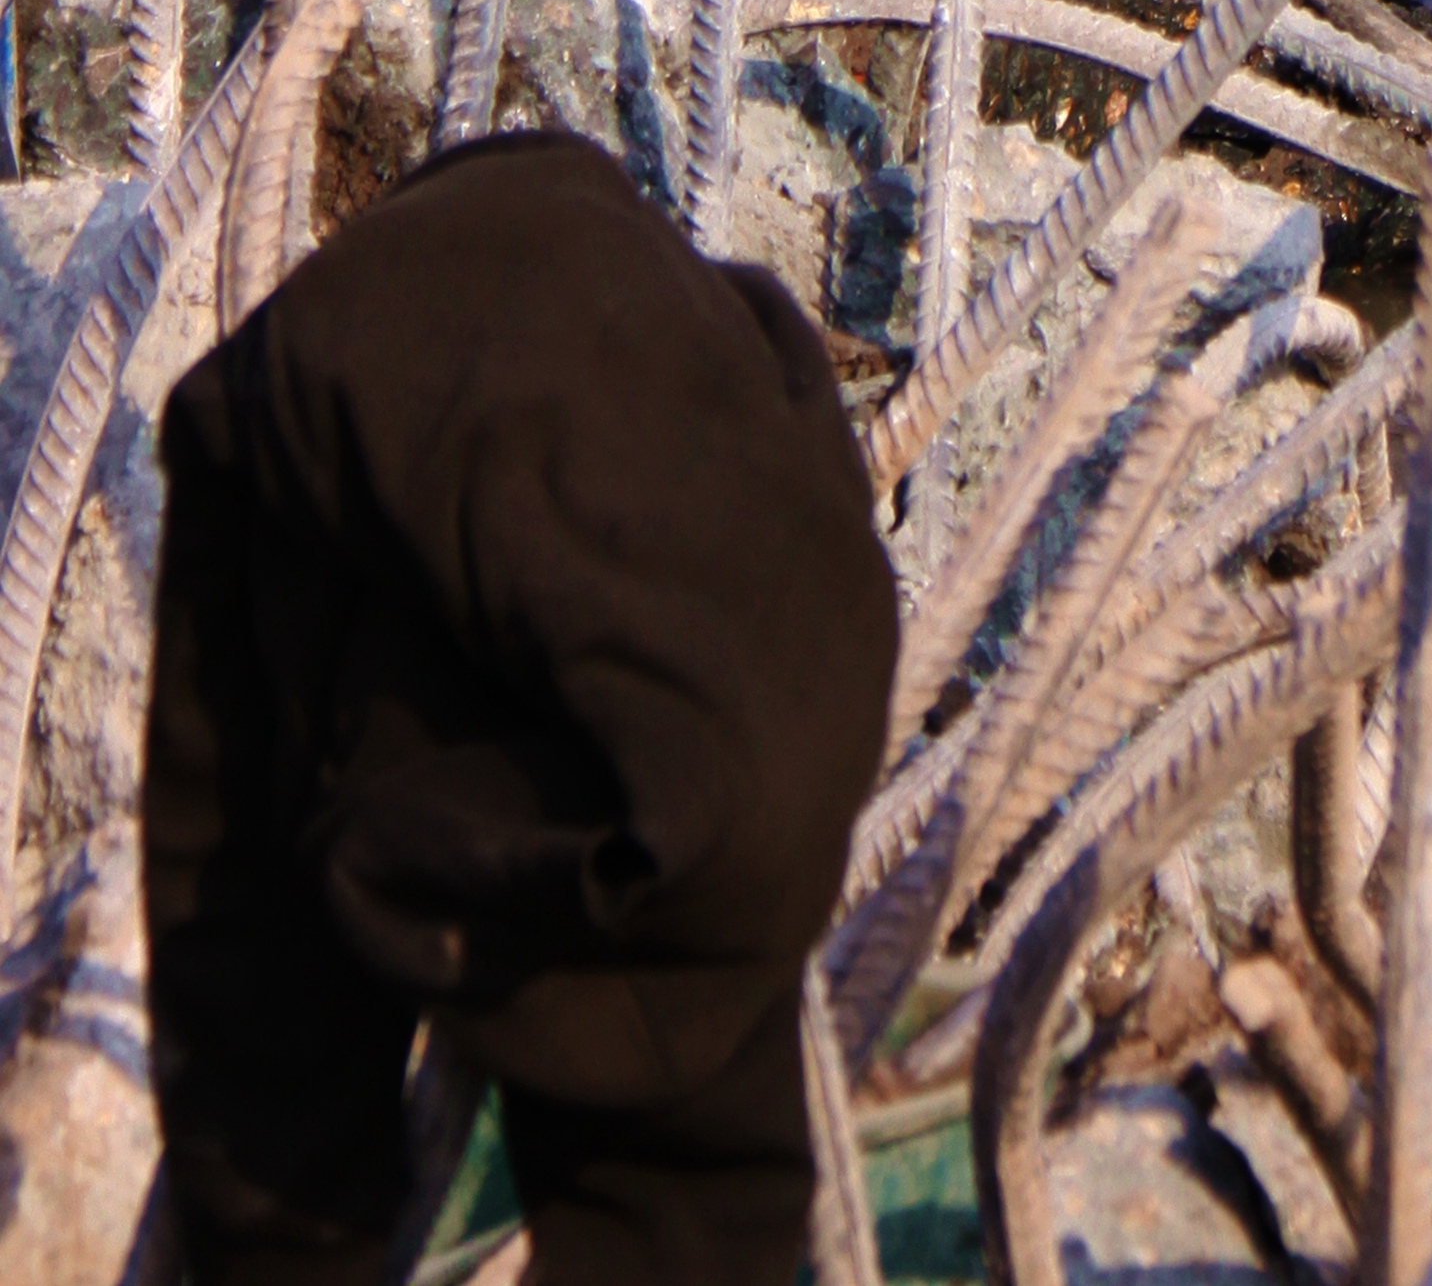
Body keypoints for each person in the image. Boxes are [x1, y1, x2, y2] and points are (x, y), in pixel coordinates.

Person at [142, 134, 896, 1286]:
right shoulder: (291, 517)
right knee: (272, 1132)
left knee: (697, 1190)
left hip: (617, 397)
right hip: (351, 409)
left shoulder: (781, 681)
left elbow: (698, 1190)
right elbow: (247, 999)